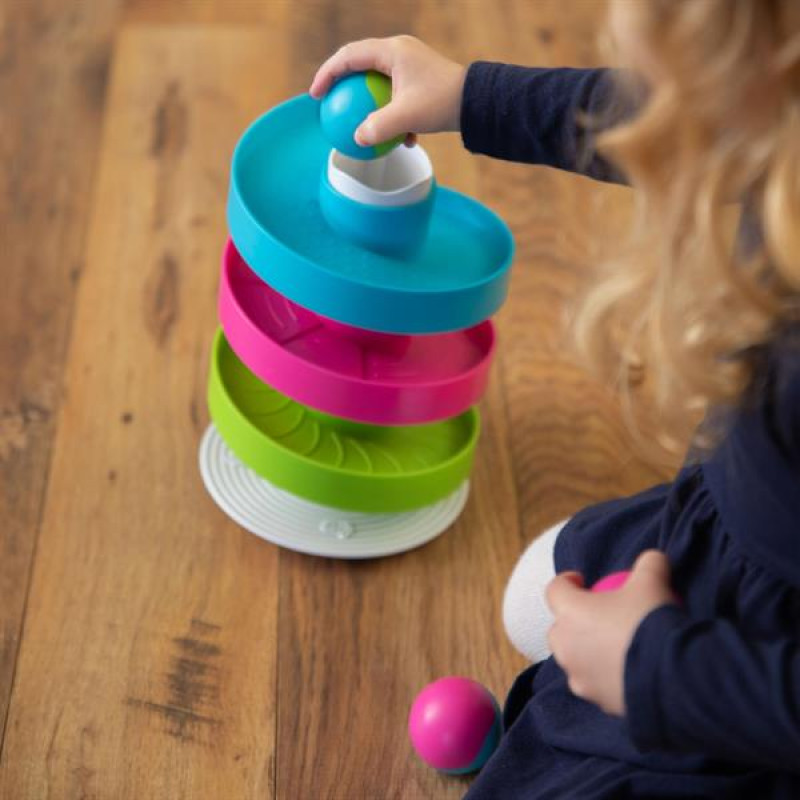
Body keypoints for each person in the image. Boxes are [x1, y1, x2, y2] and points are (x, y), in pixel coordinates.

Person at [310, 2, 800, 797]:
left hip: (755, 676)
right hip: (729, 537)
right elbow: (674, 120)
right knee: (529, 603)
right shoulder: (775, 123)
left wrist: (657, 667)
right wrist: (469, 95)